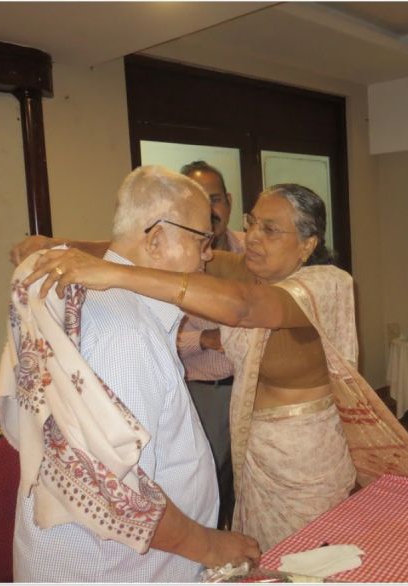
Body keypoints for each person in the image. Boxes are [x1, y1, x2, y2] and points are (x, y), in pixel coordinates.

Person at [16, 183, 408, 552]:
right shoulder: (247, 271)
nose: (253, 237)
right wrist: (58, 246)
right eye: (252, 223)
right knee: (262, 556)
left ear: (308, 244)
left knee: (305, 560)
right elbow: (144, 249)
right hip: (253, 452)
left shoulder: (326, 284)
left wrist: (112, 275)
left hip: (305, 460)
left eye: (271, 230)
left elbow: (244, 308)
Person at [0, 166, 259, 581]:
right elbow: (113, 487)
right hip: (113, 568)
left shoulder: (115, 302)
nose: (208, 255)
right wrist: (210, 545)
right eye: (201, 241)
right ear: (156, 240)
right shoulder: (124, 334)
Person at [178, 161, 244, 529]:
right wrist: (202, 339)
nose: (209, 209)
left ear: (228, 202)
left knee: (248, 487)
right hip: (204, 393)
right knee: (208, 489)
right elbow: (157, 336)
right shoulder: (171, 261)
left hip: (254, 390)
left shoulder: (252, 250)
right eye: (197, 200)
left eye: (215, 199)